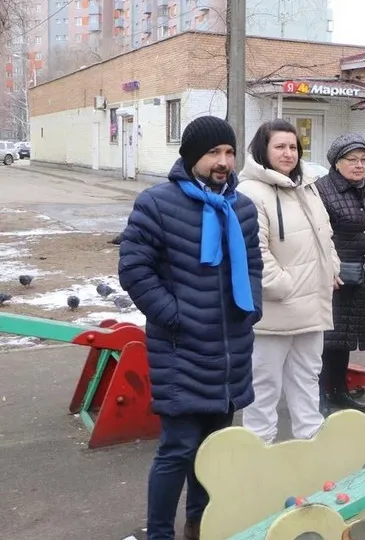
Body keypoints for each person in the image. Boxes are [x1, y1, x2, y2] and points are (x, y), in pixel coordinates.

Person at [118, 115, 263, 540]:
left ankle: (201, 526)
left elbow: (254, 263)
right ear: (191, 156)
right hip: (180, 349)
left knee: (215, 452)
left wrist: (249, 307)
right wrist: (175, 316)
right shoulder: (157, 203)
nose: (223, 162)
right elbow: (134, 269)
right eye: (213, 153)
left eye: (229, 152)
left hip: (231, 349)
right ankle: (160, 533)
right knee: (178, 451)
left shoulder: (242, 207)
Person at [235, 119, 340, 444]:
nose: (288, 153)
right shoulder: (250, 192)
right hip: (274, 313)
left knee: (307, 379)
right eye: (279, 146)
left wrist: (331, 267)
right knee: (264, 387)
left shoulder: (307, 186)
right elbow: (254, 251)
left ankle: (310, 446)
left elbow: (324, 233)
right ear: (263, 150)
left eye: (293, 147)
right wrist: (283, 286)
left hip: (310, 308)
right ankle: (258, 455)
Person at [316, 133, 365, 413]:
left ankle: (339, 391)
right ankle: (320, 396)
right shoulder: (322, 191)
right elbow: (319, 237)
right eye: (352, 160)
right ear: (336, 163)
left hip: (362, 278)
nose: (359, 166)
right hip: (334, 279)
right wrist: (328, 271)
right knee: (326, 341)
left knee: (344, 338)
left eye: (363, 160)